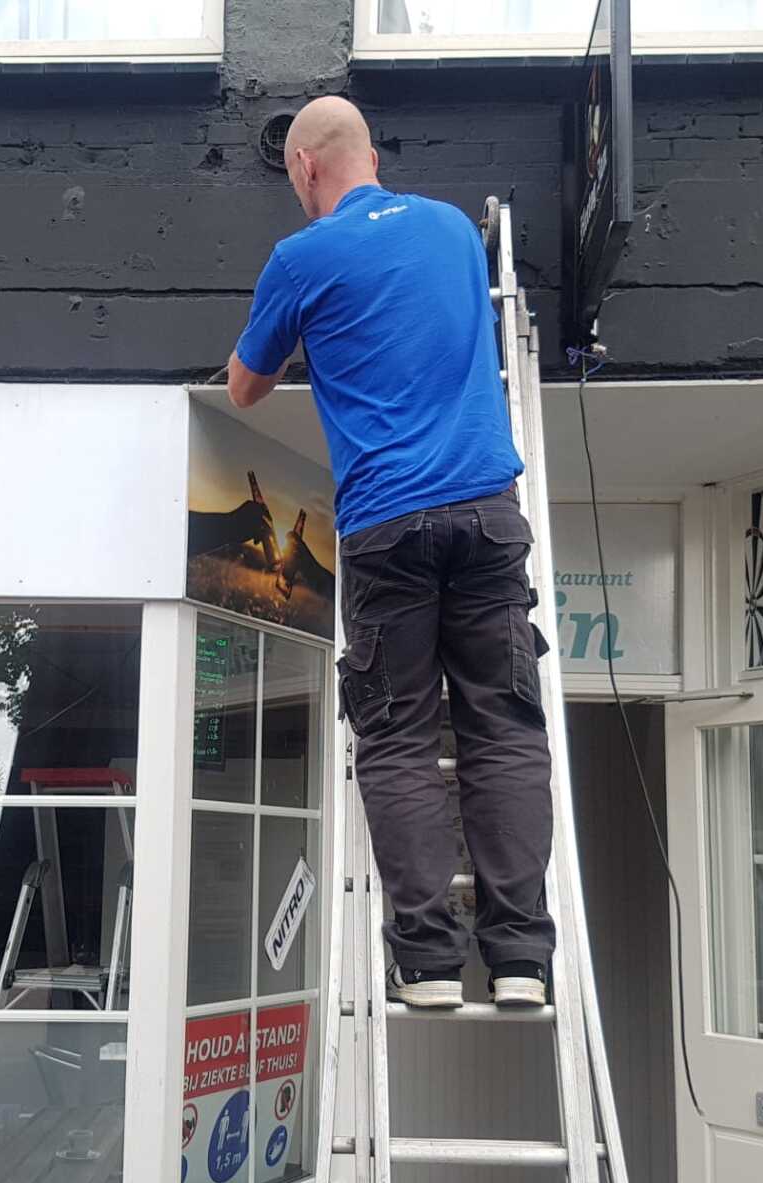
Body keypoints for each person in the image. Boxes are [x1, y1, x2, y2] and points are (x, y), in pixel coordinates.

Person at [225, 96, 554, 1010]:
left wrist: (305, 328)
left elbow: (245, 388)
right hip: (487, 516)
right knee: (504, 729)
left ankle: (430, 964)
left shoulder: (302, 257)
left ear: (304, 167)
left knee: (400, 736)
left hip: (386, 527)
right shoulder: (453, 231)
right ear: (371, 155)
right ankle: (520, 959)